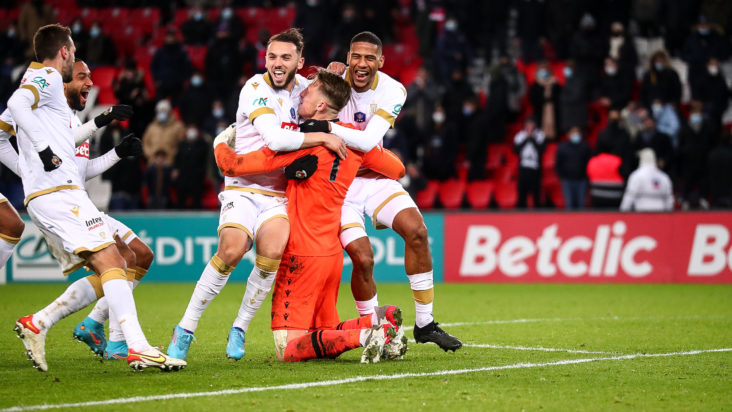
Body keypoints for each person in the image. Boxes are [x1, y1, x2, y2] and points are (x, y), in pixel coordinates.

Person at [7, 25, 182, 372]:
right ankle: (136, 346)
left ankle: (41, 322)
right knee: (114, 260)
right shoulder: (48, 78)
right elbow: (16, 105)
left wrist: (104, 128)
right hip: (59, 194)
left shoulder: (48, 98)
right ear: (64, 52)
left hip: (58, 195)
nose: (86, 78)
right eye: (74, 55)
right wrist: (39, 154)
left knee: (122, 258)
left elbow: (60, 145)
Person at [167, 28, 345, 361]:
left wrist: (339, 71)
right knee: (231, 250)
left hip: (277, 194)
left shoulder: (305, 89)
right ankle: (185, 328)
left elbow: (331, 92)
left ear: (299, 63)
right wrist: (322, 137)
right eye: (272, 56)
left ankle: (240, 327)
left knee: (272, 251)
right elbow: (275, 140)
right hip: (243, 187)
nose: (277, 63)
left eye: (286, 57)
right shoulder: (255, 88)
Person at [215, 69, 407, 363]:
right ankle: (382, 319)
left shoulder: (300, 143)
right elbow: (397, 169)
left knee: (288, 349)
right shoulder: (355, 141)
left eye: (307, 92)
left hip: (302, 255)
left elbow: (233, 166)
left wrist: (220, 141)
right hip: (331, 255)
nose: (300, 94)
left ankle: (367, 337)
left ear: (320, 106)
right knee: (322, 332)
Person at [327, 31, 462, 352]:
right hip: (339, 185)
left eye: (369, 58)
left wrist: (326, 127)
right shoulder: (330, 83)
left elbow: (366, 141)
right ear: (347, 58)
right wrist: (323, 80)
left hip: (375, 178)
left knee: (417, 231)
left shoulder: (393, 89)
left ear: (381, 61)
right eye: (356, 56)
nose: (362, 63)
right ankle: (375, 330)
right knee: (363, 259)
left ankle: (425, 324)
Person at [555, 126, 591, 210]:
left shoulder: (585, 147)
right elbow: (558, 164)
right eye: (573, 132)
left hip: (581, 180)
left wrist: (586, 176)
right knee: (569, 205)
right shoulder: (563, 148)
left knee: (581, 205)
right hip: (567, 181)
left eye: (577, 132)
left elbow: (589, 162)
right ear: (568, 135)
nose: (575, 134)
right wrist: (562, 176)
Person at [142, 99, 185, 165]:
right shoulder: (151, 127)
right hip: (153, 163)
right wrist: (150, 154)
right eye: (159, 111)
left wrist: (173, 155)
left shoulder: (178, 127)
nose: (161, 113)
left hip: (171, 163)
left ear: (169, 112)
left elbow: (182, 144)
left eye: (164, 111)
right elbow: (145, 143)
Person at [514, 118, 545, 208]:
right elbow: (516, 150)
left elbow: (541, 150)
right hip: (523, 166)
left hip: (535, 167)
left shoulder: (540, 135)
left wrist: (532, 139)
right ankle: (521, 210)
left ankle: (537, 210)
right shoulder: (520, 135)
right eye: (528, 124)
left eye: (531, 124)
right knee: (522, 191)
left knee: (536, 192)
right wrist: (526, 139)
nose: (530, 127)